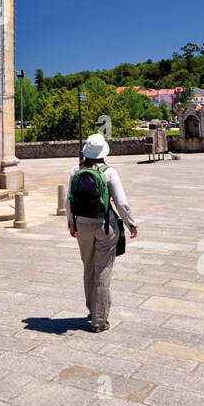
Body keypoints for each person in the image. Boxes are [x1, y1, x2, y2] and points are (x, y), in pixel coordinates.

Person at [67, 133, 138, 333]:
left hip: (82, 225)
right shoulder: (109, 172)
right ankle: (99, 319)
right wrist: (131, 224)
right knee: (103, 270)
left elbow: (69, 200)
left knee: (88, 266)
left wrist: (71, 224)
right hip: (104, 226)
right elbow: (121, 202)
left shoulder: (76, 170)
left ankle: (92, 309)